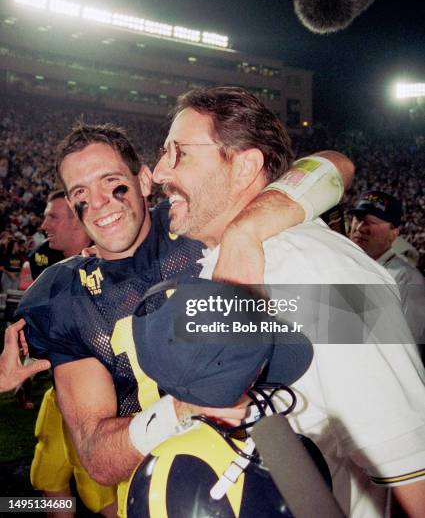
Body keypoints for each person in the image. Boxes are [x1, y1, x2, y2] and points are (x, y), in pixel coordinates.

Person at [17, 120, 350, 513]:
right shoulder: (65, 294)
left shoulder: (194, 222)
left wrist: (247, 228)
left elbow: (335, 164)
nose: (100, 202)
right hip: (155, 496)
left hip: (263, 478)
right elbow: (98, 456)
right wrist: (185, 406)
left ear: (143, 180)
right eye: (81, 193)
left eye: (111, 182)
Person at [150, 86, 425, 517]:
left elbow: (413, 471)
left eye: (178, 153)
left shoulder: (318, 272)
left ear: (244, 167)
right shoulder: (215, 260)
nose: (156, 172)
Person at [28, 190, 116, 518]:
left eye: (53, 216)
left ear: (78, 223)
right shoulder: (49, 263)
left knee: (100, 493)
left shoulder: (110, 265)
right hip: (59, 389)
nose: (44, 223)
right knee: (47, 472)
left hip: (94, 394)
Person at [349, 190, 425, 345]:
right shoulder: (340, 263)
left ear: (393, 234)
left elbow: (409, 344)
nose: (361, 227)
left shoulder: (407, 279)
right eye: (358, 218)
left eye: (373, 222)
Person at [0, 319, 50, 393]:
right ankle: (24, 400)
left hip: (34, 347)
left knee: (23, 377)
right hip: (32, 349)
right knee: (23, 377)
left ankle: (25, 399)